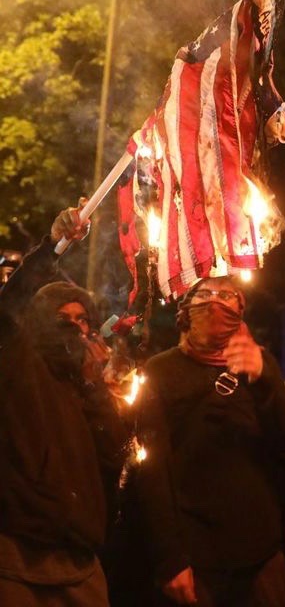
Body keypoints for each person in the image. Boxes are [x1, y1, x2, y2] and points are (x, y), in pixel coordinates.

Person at [136, 276, 285, 607]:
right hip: (197, 554)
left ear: (241, 311)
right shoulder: (161, 370)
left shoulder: (262, 363)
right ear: (185, 310)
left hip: (261, 549)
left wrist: (263, 380)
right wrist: (171, 557)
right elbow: (153, 471)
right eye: (204, 293)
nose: (215, 301)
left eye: (227, 295)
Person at [0, 204, 129, 606]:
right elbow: (11, 305)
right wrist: (54, 247)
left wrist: (95, 387)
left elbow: (114, 456)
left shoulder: (87, 380)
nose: (74, 327)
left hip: (80, 556)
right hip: (19, 558)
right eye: (61, 318)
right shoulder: (16, 361)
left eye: (83, 320)